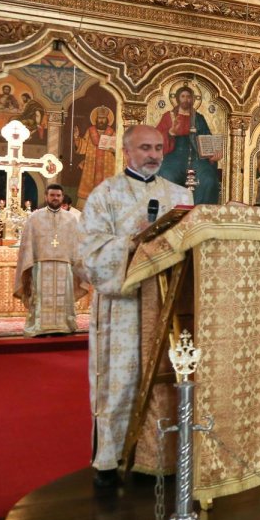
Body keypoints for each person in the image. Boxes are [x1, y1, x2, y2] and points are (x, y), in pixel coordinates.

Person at [81, 125, 193, 489]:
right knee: (121, 382)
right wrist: (131, 242)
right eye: (145, 147)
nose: (153, 155)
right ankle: (111, 462)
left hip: (167, 305)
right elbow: (89, 254)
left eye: (158, 148)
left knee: (168, 383)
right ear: (127, 152)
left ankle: (159, 458)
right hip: (125, 308)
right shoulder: (105, 195)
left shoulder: (179, 195)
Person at [14, 184, 88, 337]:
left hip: (64, 265)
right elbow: (27, 243)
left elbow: (77, 243)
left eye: (58, 196)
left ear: (62, 197)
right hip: (41, 265)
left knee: (63, 296)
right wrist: (29, 262)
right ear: (46, 197)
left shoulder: (71, 219)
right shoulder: (35, 218)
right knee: (41, 296)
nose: (55, 198)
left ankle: (63, 326)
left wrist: (78, 263)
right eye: (52, 195)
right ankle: (40, 327)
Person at [155, 85, 222, 205]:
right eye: (183, 96)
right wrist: (170, 133)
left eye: (189, 97)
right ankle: (169, 217)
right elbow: (156, 139)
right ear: (177, 98)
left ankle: (200, 215)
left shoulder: (199, 118)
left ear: (193, 99)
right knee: (166, 176)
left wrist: (213, 156)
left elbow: (207, 138)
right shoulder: (169, 116)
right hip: (174, 157)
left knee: (209, 180)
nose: (186, 99)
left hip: (197, 158)